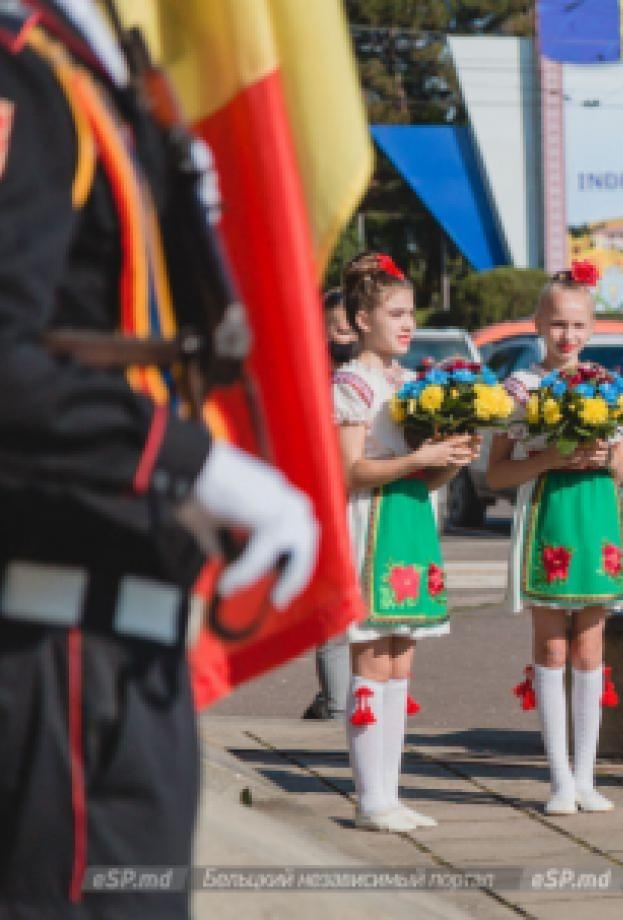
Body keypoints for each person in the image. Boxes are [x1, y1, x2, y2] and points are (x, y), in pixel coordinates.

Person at [0, 3, 318, 915]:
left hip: (121, 636)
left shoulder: (96, 66)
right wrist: (194, 464)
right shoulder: (22, 70)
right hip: (56, 647)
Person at [334, 252, 477, 832]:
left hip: (410, 521)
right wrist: (419, 458)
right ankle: (369, 797)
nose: (407, 323)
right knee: (371, 654)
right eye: (395, 312)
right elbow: (346, 470)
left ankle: (390, 794)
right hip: (369, 523)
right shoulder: (351, 383)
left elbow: (422, 473)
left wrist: (448, 461)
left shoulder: (411, 383)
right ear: (362, 319)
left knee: (401, 659)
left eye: (410, 312)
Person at [486, 267, 623, 815]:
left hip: (596, 521)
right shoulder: (519, 389)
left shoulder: (607, 386)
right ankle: (558, 780)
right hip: (548, 519)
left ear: (591, 328)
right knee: (552, 647)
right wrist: (551, 457)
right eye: (557, 324)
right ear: (538, 325)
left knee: (591, 649)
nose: (567, 336)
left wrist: (605, 457)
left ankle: (588, 775)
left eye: (577, 325)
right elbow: (497, 474)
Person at [304, 288, 358, 721]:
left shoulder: (379, 376)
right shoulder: (307, 374)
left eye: (350, 323)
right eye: (336, 323)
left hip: (370, 504)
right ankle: (337, 705)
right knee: (334, 611)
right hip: (325, 507)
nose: (344, 331)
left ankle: (347, 703)